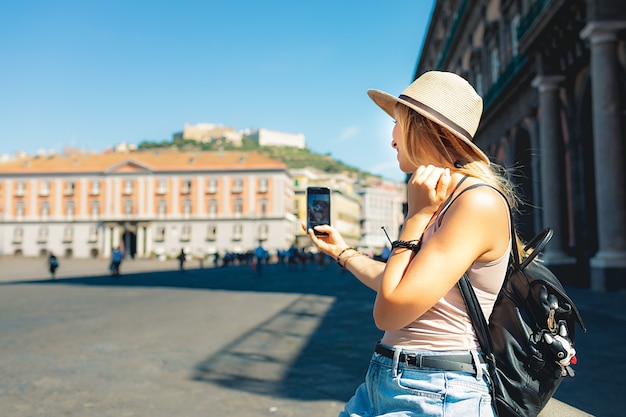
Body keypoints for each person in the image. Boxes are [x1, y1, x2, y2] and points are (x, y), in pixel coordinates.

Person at [304, 71, 521, 416]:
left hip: (437, 390)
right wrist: (342, 252)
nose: (392, 139)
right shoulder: (441, 197)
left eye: (397, 122)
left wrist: (415, 218)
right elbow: (402, 284)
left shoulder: (475, 203)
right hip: (388, 379)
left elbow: (389, 311)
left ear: (422, 129)